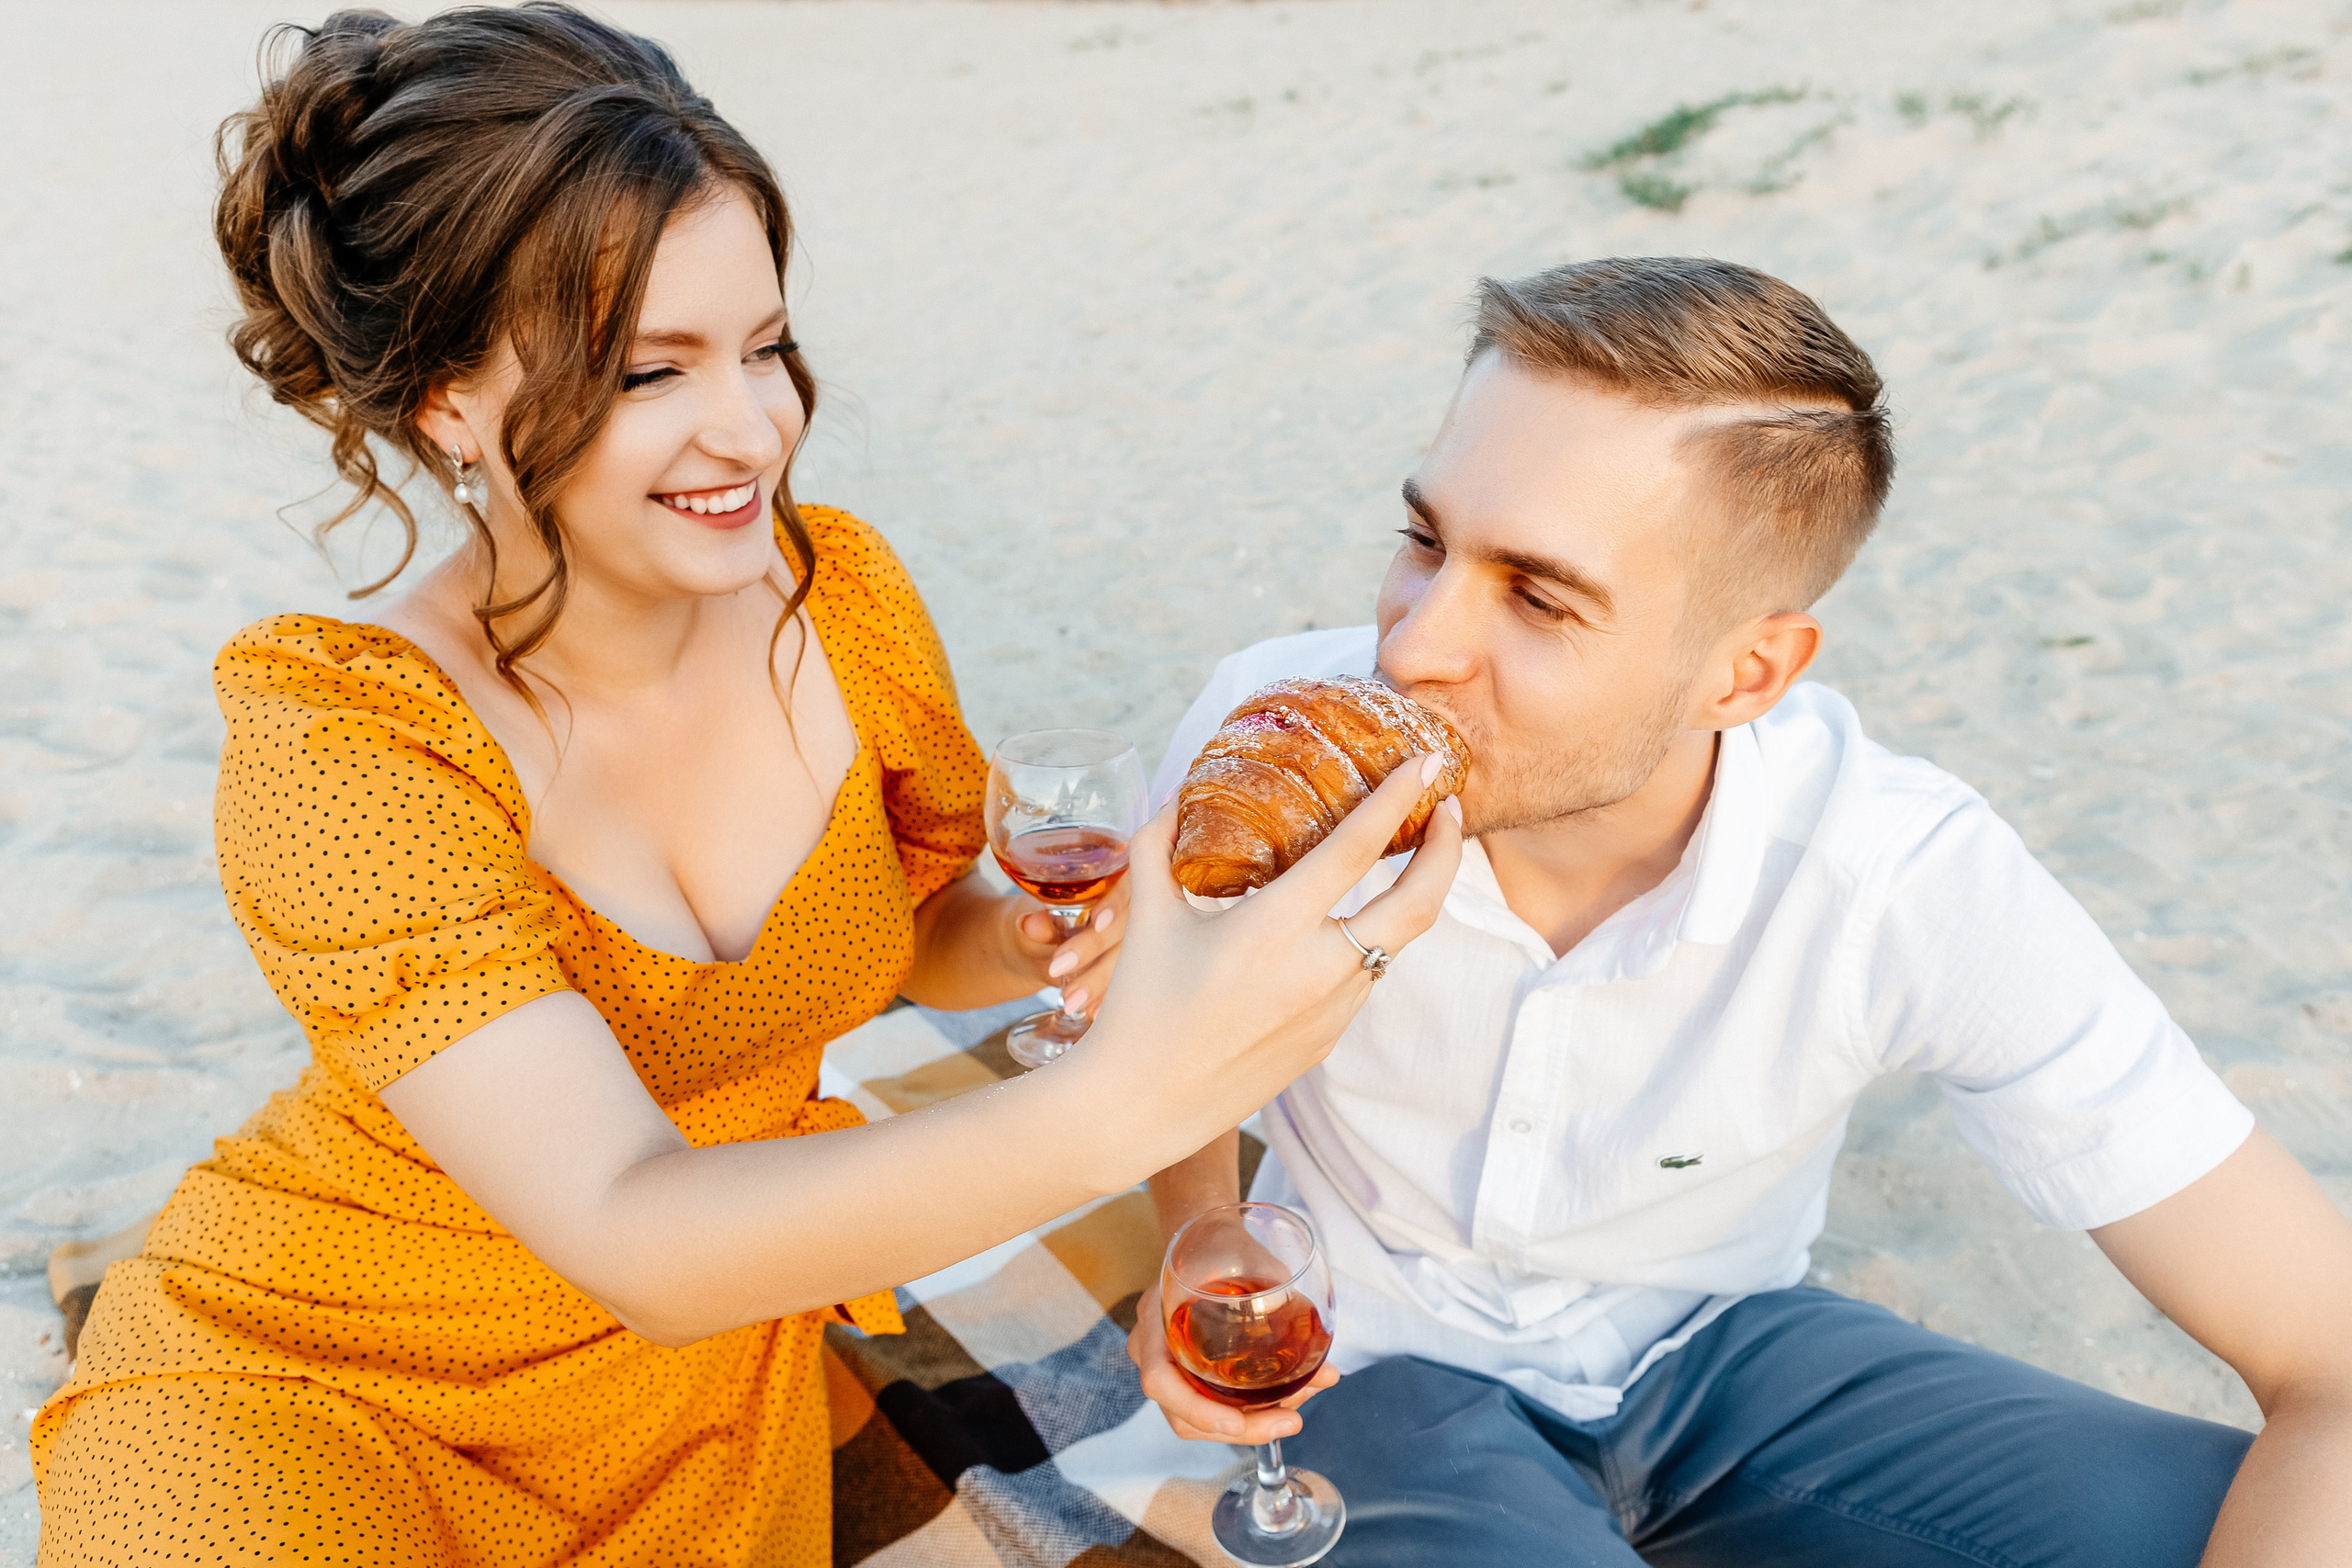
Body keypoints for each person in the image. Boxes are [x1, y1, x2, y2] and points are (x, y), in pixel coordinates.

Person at [27, 7, 1462, 1563]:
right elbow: (632, 1229)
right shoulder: (348, 742)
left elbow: (919, 922)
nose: (752, 429)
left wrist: (1041, 941)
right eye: (654, 370)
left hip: (712, 1373)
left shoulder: (839, 600)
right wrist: (1127, 1101)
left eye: (764, 347)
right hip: (337, 1372)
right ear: (448, 401)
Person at [1129, 257, 2352, 1565]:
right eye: (1425, 540)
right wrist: (1202, 1225)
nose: (1414, 644)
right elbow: (1152, 1029)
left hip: (1728, 1349)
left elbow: (2327, 1357)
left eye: (1537, 596)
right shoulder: (1269, 742)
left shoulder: (1898, 875)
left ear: (1746, 670)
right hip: (1373, 1375)